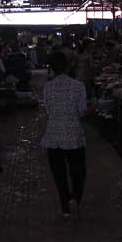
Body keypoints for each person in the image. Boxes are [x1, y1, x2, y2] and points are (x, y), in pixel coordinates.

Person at [42, 52, 88, 220]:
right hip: (74, 136)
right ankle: (75, 198)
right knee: (78, 172)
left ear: (52, 69)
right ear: (68, 67)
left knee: (59, 175)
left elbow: (48, 111)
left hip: (53, 137)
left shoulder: (48, 87)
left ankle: (65, 208)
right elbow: (82, 113)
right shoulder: (78, 86)